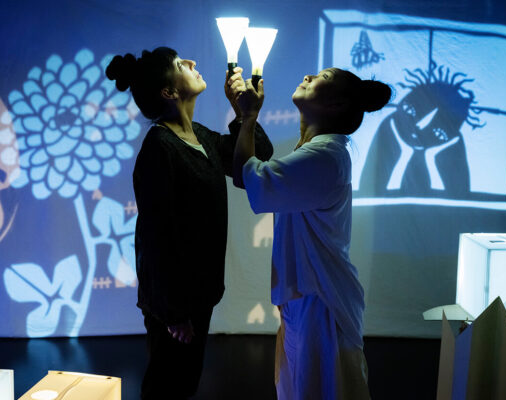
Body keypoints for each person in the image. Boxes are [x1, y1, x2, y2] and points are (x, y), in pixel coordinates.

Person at [105, 47, 273, 399]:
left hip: (198, 293)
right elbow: (155, 238)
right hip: (175, 302)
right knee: (167, 386)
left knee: (184, 383)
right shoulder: (159, 147)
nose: (193, 63)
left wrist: (244, 113)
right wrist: (173, 313)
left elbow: (254, 160)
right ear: (169, 92)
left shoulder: (199, 136)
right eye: (181, 64)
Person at [230, 68, 392, 399]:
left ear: (335, 105)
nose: (308, 76)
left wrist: (248, 117)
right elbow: (250, 175)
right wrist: (245, 115)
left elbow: (251, 179)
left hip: (320, 301)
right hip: (312, 295)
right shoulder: (318, 151)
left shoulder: (323, 155)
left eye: (323, 77)